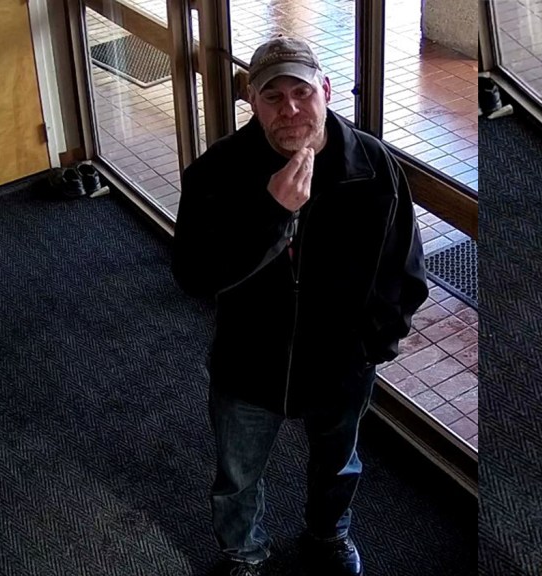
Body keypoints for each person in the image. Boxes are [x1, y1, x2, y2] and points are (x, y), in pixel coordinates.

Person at [172, 36, 428, 576]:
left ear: (326, 91)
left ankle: (326, 536)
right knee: (237, 474)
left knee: (338, 466)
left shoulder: (374, 167)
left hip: (340, 365)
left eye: (301, 92)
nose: (289, 109)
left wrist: (373, 345)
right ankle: (243, 553)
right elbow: (194, 274)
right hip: (248, 362)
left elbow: (403, 270)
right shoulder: (218, 171)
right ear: (251, 101)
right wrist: (272, 212)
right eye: (272, 96)